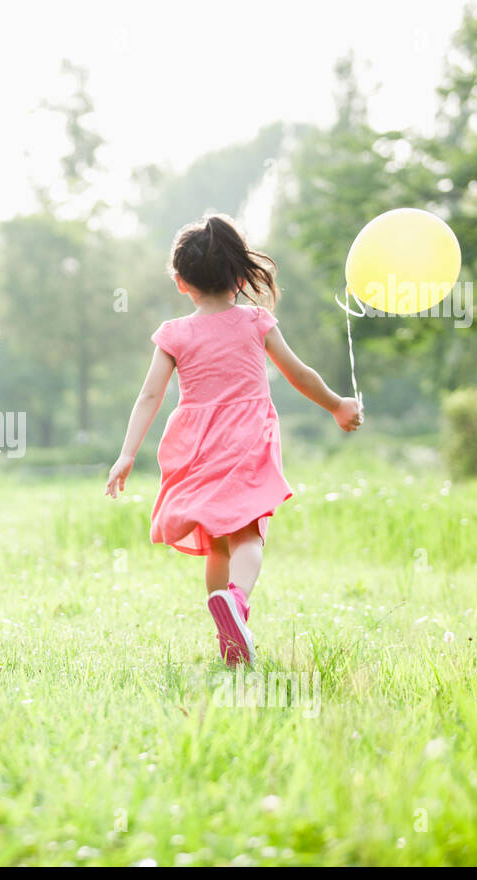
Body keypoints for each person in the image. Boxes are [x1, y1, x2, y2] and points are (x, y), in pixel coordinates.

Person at [105, 215, 363, 666]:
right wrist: (338, 404)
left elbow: (150, 395)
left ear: (181, 282)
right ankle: (238, 604)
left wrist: (127, 454)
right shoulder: (256, 321)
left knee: (216, 544)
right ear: (240, 276)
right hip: (246, 438)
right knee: (247, 535)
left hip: (197, 443)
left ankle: (228, 634)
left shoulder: (174, 333)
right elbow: (299, 374)